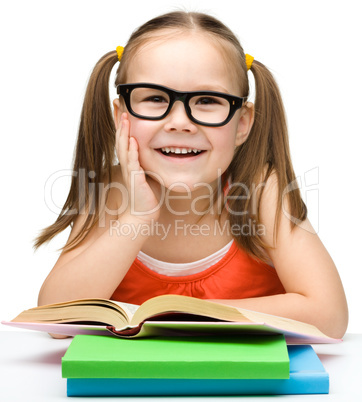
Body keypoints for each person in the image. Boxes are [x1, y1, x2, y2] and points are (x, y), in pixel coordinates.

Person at [35, 11, 348, 338]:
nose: (180, 121)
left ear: (242, 123)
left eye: (207, 100)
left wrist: (191, 316)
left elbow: (329, 315)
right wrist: (138, 216)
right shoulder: (108, 192)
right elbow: (55, 319)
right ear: (121, 114)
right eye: (155, 98)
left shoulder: (259, 191)